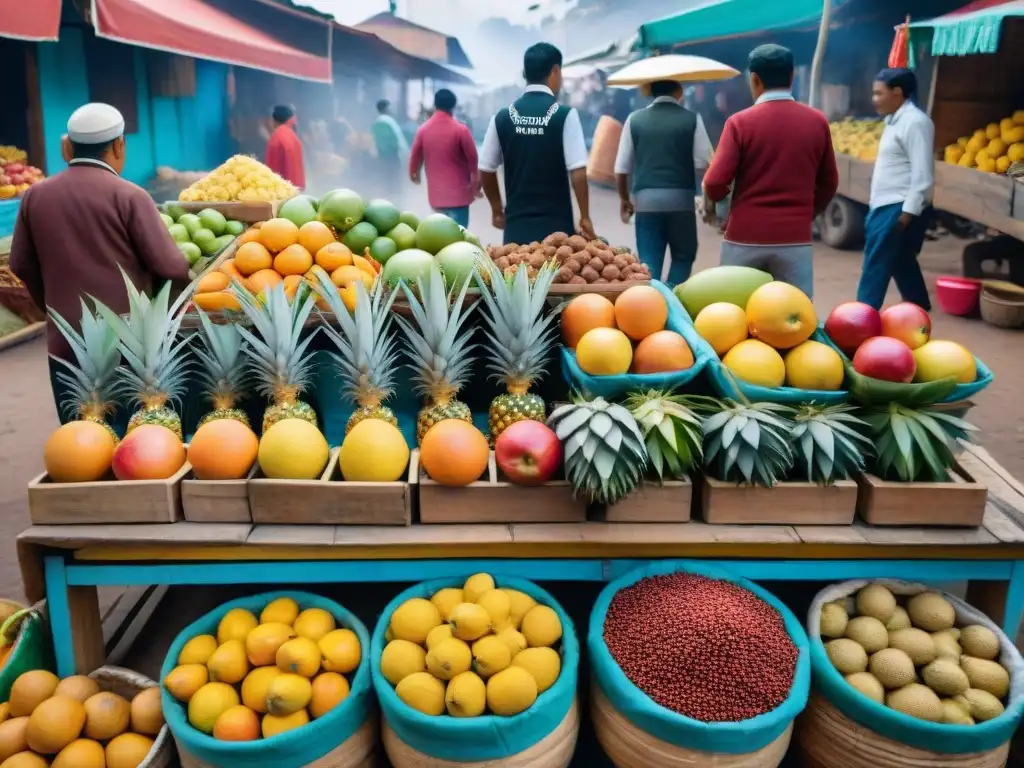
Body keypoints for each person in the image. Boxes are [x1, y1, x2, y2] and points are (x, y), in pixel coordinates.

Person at [9, 103, 189, 420]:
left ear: (67, 147)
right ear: (119, 146)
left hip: (65, 345)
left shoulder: (35, 195)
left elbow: (21, 264)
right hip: (129, 347)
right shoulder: (130, 196)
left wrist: (53, 307)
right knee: (137, 439)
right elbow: (173, 268)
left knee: (81, 440)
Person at [703, 44, 838, 298]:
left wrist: (726, 207)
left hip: (745, 236)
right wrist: (805, 213)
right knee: (794, 315)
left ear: (754, 79)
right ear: (792, 77)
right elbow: (829, 182)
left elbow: (714, 182)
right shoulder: (817, 121)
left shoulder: (740, 123)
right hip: (795, 237)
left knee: (733, 313)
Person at [479, 43, 594, 245]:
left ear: (525, 73)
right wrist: (585, 216)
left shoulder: (502, 117)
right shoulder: (565, 115)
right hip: (558, 232)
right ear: (555, 71)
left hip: (516, 229)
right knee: (558, 277)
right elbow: (578, 171)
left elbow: (486, 168)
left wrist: (497, 210)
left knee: (518, 275)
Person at [614, 80, 713, 284]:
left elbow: (621, 168)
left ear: (649, 91)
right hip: (681, 201)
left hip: (645, 203)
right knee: (684, 256)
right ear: (679, 91)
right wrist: (708, 203)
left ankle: (655, 299)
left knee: (649, 262)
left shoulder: (635, 119)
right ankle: (671, 293)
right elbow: (706, 164)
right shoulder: (692, 119)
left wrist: (625, 200)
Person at [856, 68, 934, 311]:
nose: (874, 99)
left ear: (898, 92)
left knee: (875, 265)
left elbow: (923, 173)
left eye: (879, 93)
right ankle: (920, 309)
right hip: (884, 204)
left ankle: (860, 318)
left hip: (897, 206)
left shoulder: (915, 122)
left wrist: (907, 214)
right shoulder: (895, 121)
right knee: (901, 261)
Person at [409, 89, 480, 229]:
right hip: (460, 196)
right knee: (460, 235)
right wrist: (476, 183)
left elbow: (415, 156)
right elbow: (473, 159)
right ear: (453, 105)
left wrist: (414, 174)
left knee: (441, 234)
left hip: (436, 196)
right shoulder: (461, 130)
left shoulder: (423, 129)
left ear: (435, 104)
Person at [372, 99, 409, 200]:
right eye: (390, 107)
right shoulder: (389, 121)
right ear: (386, 108)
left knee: (385, 183)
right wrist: (406, 155)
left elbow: (375, 141)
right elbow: (397, 140)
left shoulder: (376, 123)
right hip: (393, 156)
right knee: (395, 183)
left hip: (382, 156)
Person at [264, 104, 305, 190]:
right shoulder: (293, 136)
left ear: (273, 120)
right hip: (297, 190)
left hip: (283, 192)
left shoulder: (276, 137)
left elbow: (272, 170)